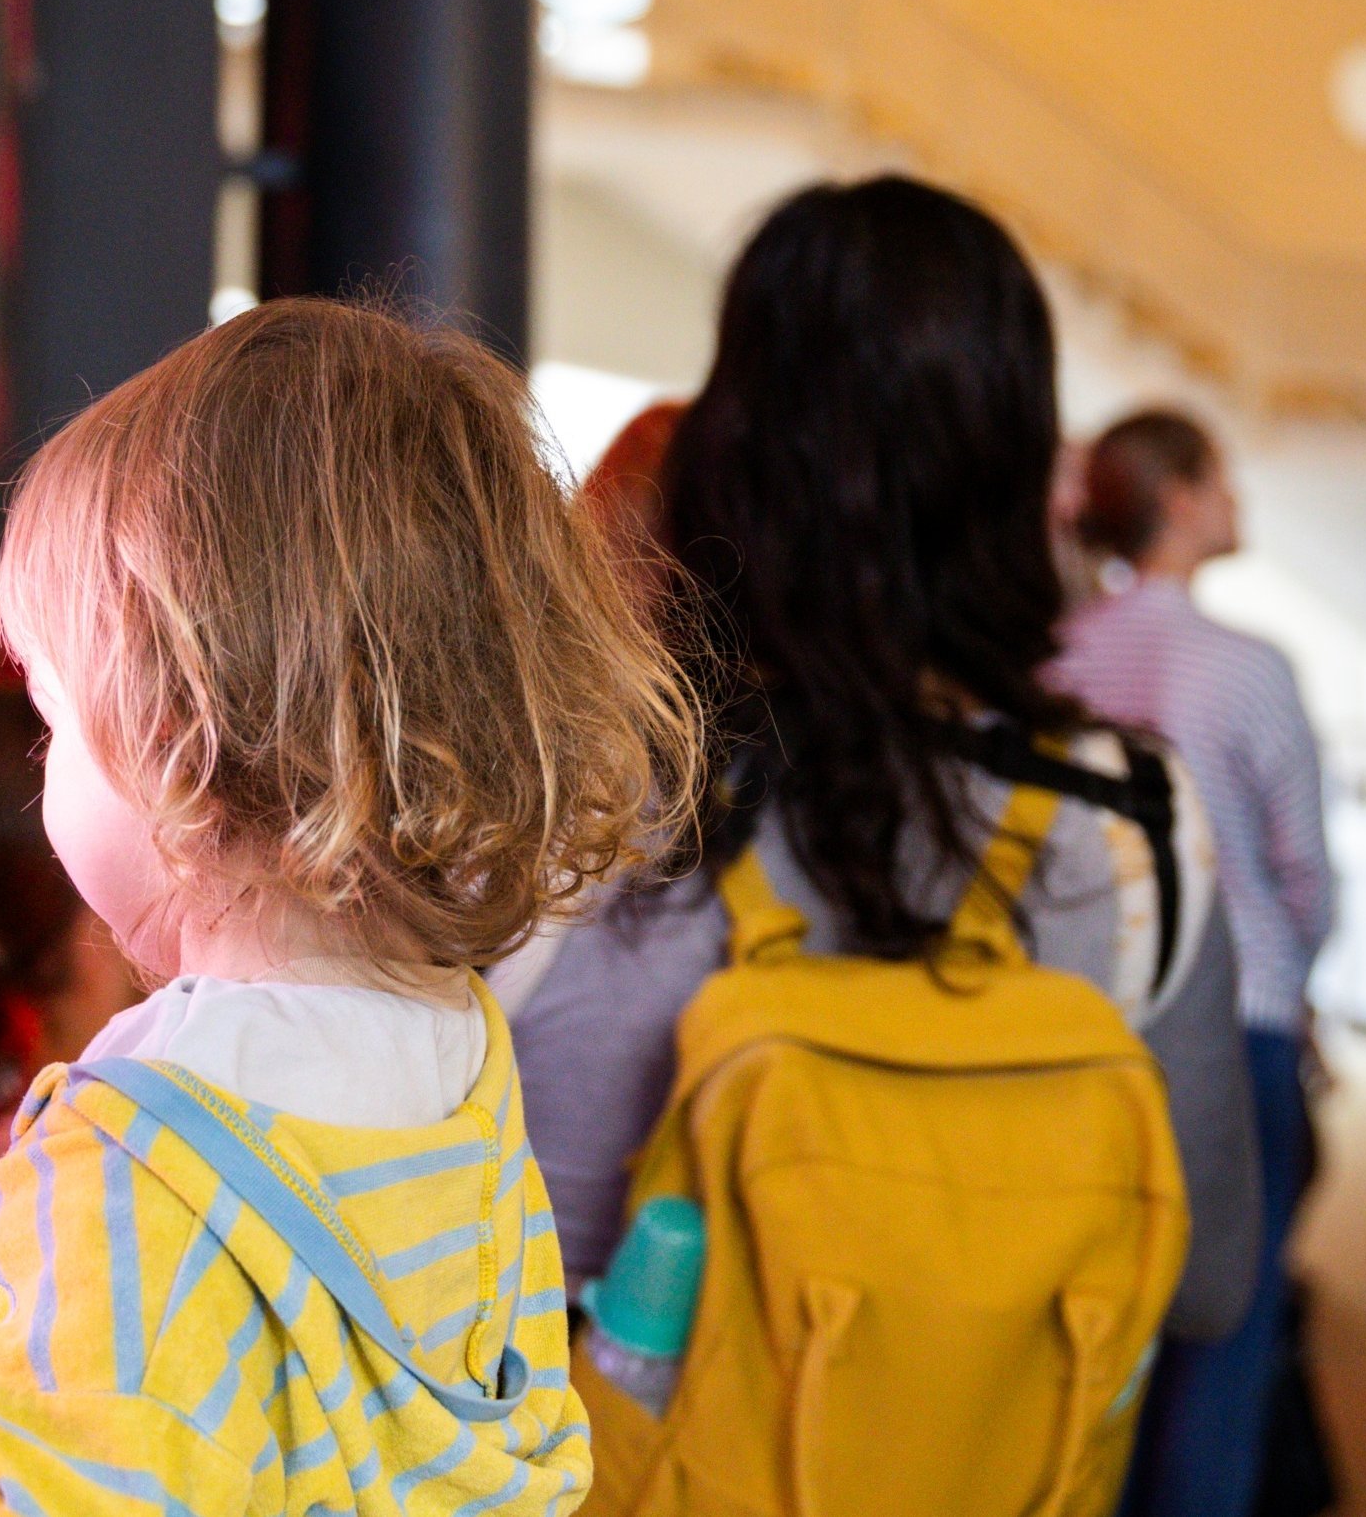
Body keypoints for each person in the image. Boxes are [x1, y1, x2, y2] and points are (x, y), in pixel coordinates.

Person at [0, 298, 699, 1517]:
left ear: (179, 757)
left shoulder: (140, 1192)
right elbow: (258, 1378)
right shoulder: (457, 1063)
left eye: (54, 722)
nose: (44, 765)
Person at [510, 174, 1263, 1420]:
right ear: (1026, 478)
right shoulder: (1134, 827)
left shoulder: (571, 782)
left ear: (729, 441)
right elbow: (1209, 1276)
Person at [1052, 407, 1340, 1517]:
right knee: (1226, 1331)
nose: (1236, 499)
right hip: (1237, 1021)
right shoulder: (1246, 666)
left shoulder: (1054, 653)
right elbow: (1302, 870)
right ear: (1177, 498)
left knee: (1101, 1325)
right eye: (1221, 477)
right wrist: (1295, 985)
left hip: (1087, 1019)